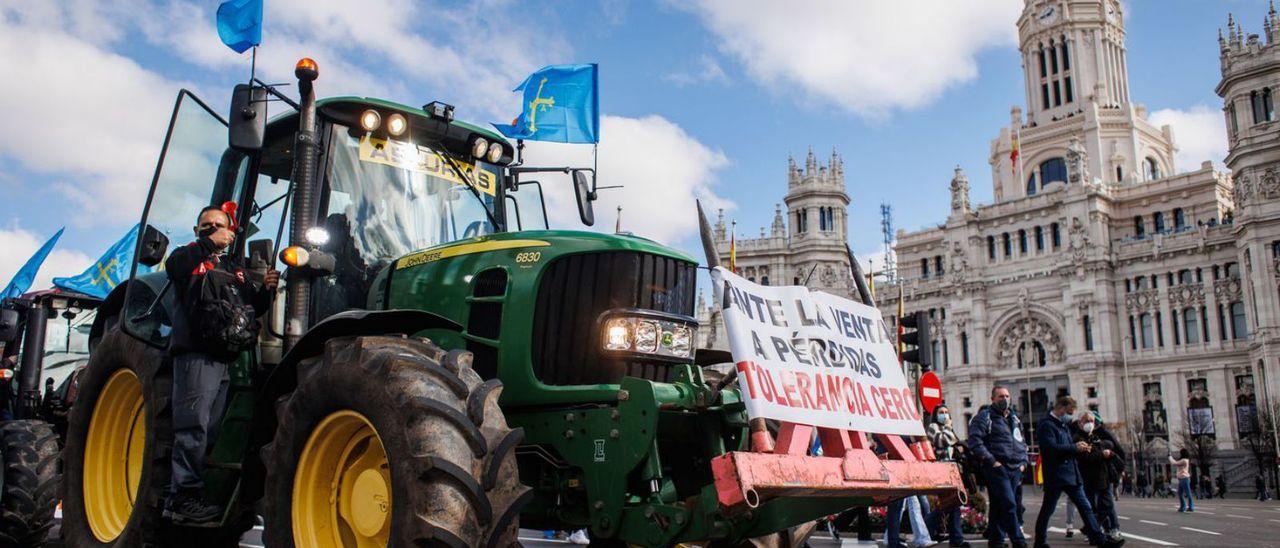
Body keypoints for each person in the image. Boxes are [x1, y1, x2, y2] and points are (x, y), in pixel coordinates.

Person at [163, 205, 278, 525]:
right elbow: (174, 268)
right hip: (195, 355)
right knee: (193, 426)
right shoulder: (188, 257)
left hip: (223, 359)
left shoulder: (233, 269)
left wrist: (266, 291)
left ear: (231, 230)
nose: (211, 228)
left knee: (210, 428)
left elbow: (248, 308)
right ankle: (180, 499)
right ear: (198, 229)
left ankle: (196, 494)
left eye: (218, 224)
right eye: (206, 224)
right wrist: (209, 243)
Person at [1032, 396, 1124, 548]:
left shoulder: (1062, 425)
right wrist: (1075, 448)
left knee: (1085, 507)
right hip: (1056, 475)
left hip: (1072, 475)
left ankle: (1099, 539)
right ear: (1061, 407)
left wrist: (1080, 447)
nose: (1070, 415)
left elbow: (1068, 446)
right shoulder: (1047, 425)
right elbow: (1050, 449)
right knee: (1048, 509)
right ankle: (1040, 541)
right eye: (1069, 411)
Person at [968, 386, 1028, 548]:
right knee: (1009, 504)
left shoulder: (1014, 419)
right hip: (997, 468)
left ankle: (996, 541)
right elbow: (975, 442)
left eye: (1007, 396)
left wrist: (1023, 463)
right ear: (993, 399)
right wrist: (992, 461)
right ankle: (1018, 540)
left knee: (998, 505)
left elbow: (1022, 442)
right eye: (1001, 396)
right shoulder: (984, 417)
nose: (1005, 399)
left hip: (1015, 468)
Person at [926, 405, 971, 547]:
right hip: (941, 471)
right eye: (941, 412)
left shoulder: (949, 429)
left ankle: (956, 540)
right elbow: (941, 441)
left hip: (953, 471)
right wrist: (947, 428)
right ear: (936, 415)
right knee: (946, 505)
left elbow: (954, 444)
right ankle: (925, 529)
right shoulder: (933, 427)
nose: (944, 415)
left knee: (954, 504)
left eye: (946, 412)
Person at [1073, 411, 1123, 540]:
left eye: (1091, 421)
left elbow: (1110, 447)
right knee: (1091, 507)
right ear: (1080, 423)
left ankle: (1091, 528)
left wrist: (1104, 452)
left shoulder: (1096, 437)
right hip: (1088, 477)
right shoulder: (1078, 438)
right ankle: (1095, 532)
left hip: (1104, 477)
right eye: (1086, 421)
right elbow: (1086, 457)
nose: (1089, 423)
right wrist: (1102, 453)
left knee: (1106, 505)